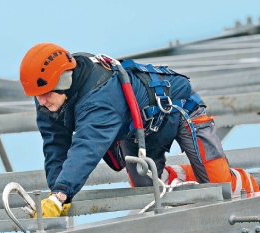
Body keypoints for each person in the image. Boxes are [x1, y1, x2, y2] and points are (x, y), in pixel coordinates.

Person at [19, 42, 260, 217]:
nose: (40, 102)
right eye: (36, 96)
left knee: (219, 186)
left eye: (45, 95)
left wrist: (62, 193)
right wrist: (57, 195)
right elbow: (55, 145)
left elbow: (87, 147)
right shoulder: (48, 96)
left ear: (63, 82)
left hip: (179, 108)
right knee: (148, 190)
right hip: (139, 128)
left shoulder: (100, 98)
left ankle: (253, 187)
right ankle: (182, 176)